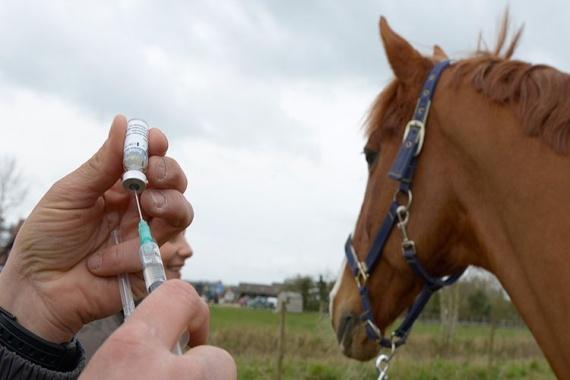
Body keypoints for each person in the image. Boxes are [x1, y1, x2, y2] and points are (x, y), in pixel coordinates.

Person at [0, 115, 236, 379]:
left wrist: (29, 309)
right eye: (174, 237)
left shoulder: (152, 327)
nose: (188, 250)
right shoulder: (98, 337)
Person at [77, 231, 194, 360]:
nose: (188, 250)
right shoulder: (91, 337)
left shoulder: (156, 314)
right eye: (171, 237)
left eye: (184, 236)